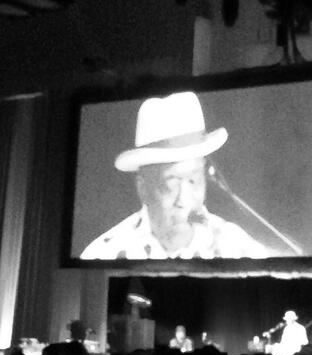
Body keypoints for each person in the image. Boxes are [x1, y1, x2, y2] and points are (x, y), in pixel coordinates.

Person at [80, 92, 267, 260]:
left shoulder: (240, 251)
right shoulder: (103, 254)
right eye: (170, 184)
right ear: (143, 188)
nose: (184, 201)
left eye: (193, 180)